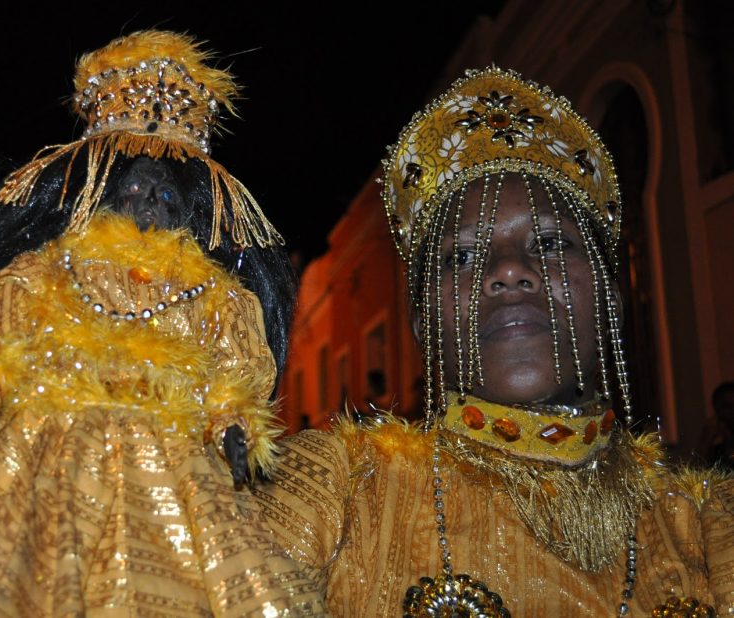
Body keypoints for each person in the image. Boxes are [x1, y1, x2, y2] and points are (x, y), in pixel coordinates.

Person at [0, 31, 324, 616]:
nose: (148, 205)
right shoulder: (55, 265)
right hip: (40, 442)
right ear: (101, 195)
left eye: (165, 199)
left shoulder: (211, 292)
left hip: (169, 473)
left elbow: (234, 360)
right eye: (136, 190)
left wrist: (233, 422)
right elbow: (10, 311)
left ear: (187, 214)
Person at [253, 67, 734, 615]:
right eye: (460, 257)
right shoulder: (335, 494)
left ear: (610, 294)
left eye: (550, 242)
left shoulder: (705, 529)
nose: (507, 270)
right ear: (419, 321)